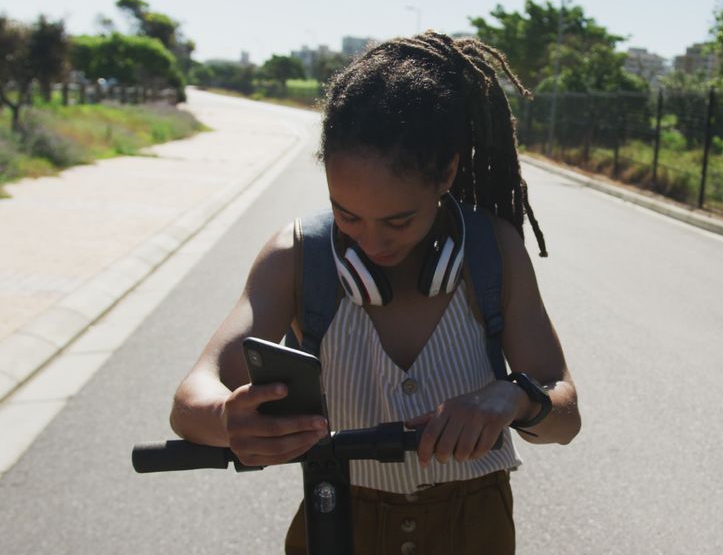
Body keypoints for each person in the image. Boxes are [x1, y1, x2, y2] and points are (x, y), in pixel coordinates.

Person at [168, 31, 581, 554]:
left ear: (447, 172)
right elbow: (190, 400)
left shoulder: (493, 253)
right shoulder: (296, 256)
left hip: (475, 530)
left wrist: (515, 397)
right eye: (347, 214)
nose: (370, 241)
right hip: (337, 524)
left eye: (398, 220)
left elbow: (565, 418)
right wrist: (225, 421)